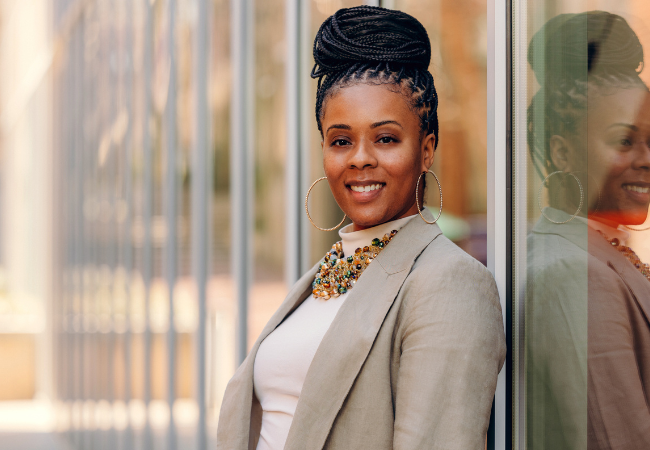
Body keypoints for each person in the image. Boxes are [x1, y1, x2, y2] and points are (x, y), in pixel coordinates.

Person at [217, 6, 506, 450]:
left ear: (426, 150)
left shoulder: (450, 283)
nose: (360, 158)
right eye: (341, 140)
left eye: (386, 138)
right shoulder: (327, 272)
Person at [525, 11, 650, 450]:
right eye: (623, 141)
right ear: (562, 150)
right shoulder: (573, 272)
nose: (646, 157)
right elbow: (618, 436)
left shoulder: (595, 251)